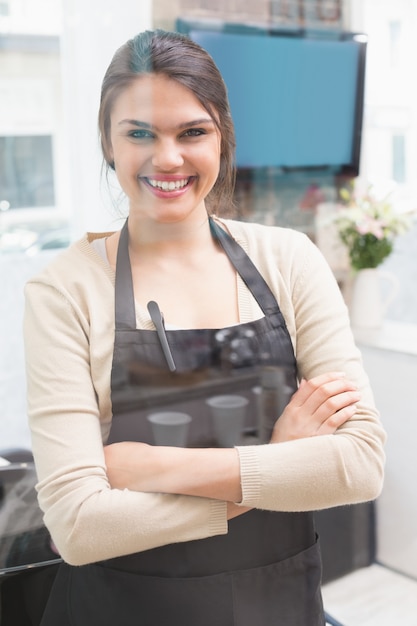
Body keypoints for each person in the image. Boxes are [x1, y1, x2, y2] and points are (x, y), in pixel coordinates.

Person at [23, 29, 385, 625]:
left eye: (192, 131)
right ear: (108, 146)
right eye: (139, 132)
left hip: (279, 604)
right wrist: (277, 465)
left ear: (222, 138)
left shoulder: (289, 260)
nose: (168, 157)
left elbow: (360, 464)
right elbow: (80, 525)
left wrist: (156, 468)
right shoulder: (64, 291)